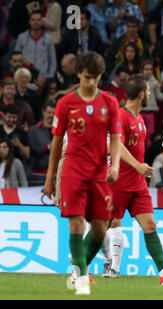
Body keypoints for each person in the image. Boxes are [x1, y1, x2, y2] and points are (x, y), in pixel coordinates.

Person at [44, 52, 122, 295]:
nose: (90, 83)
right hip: (72, 172)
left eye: (95, 78)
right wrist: (51, 179)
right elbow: (58, 145)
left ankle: (86, 267)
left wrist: (116, 165)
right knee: (76, 224)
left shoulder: (109, 103)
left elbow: (117, 138)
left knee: (100, 229)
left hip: (99, 173)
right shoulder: (65, 103)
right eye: (87, 77)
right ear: (79, 74)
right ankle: (81, 276)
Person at [102, 74, 163, 284]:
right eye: (149, 92)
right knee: (102, 227)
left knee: (150, 225)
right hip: (118, 180)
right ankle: (79, 269)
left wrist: (138, 170)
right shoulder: (121, 116)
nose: (151, 95)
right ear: (142, 94)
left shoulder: (140, 118)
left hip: (137, 183)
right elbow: (116, 145)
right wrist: (138, 166)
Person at [14, 11, 57, 79]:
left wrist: (49, 76)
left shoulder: (49, 39)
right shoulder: (21, 37)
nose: (35, 22)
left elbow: (53, 61)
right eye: (33, 20)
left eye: (38, 20)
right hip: (25, 77)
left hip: (43, 77)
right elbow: (15, 58)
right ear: (29, 22)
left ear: (42, 22)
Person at [28, 101, 55, 186]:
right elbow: (32, 151)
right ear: (43, 112)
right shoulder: (34, 131)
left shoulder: (61, 131)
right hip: (38, 175)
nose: (51, 115)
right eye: (49, 112)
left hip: (56, 175)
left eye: (53, 113)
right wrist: (48, 147)